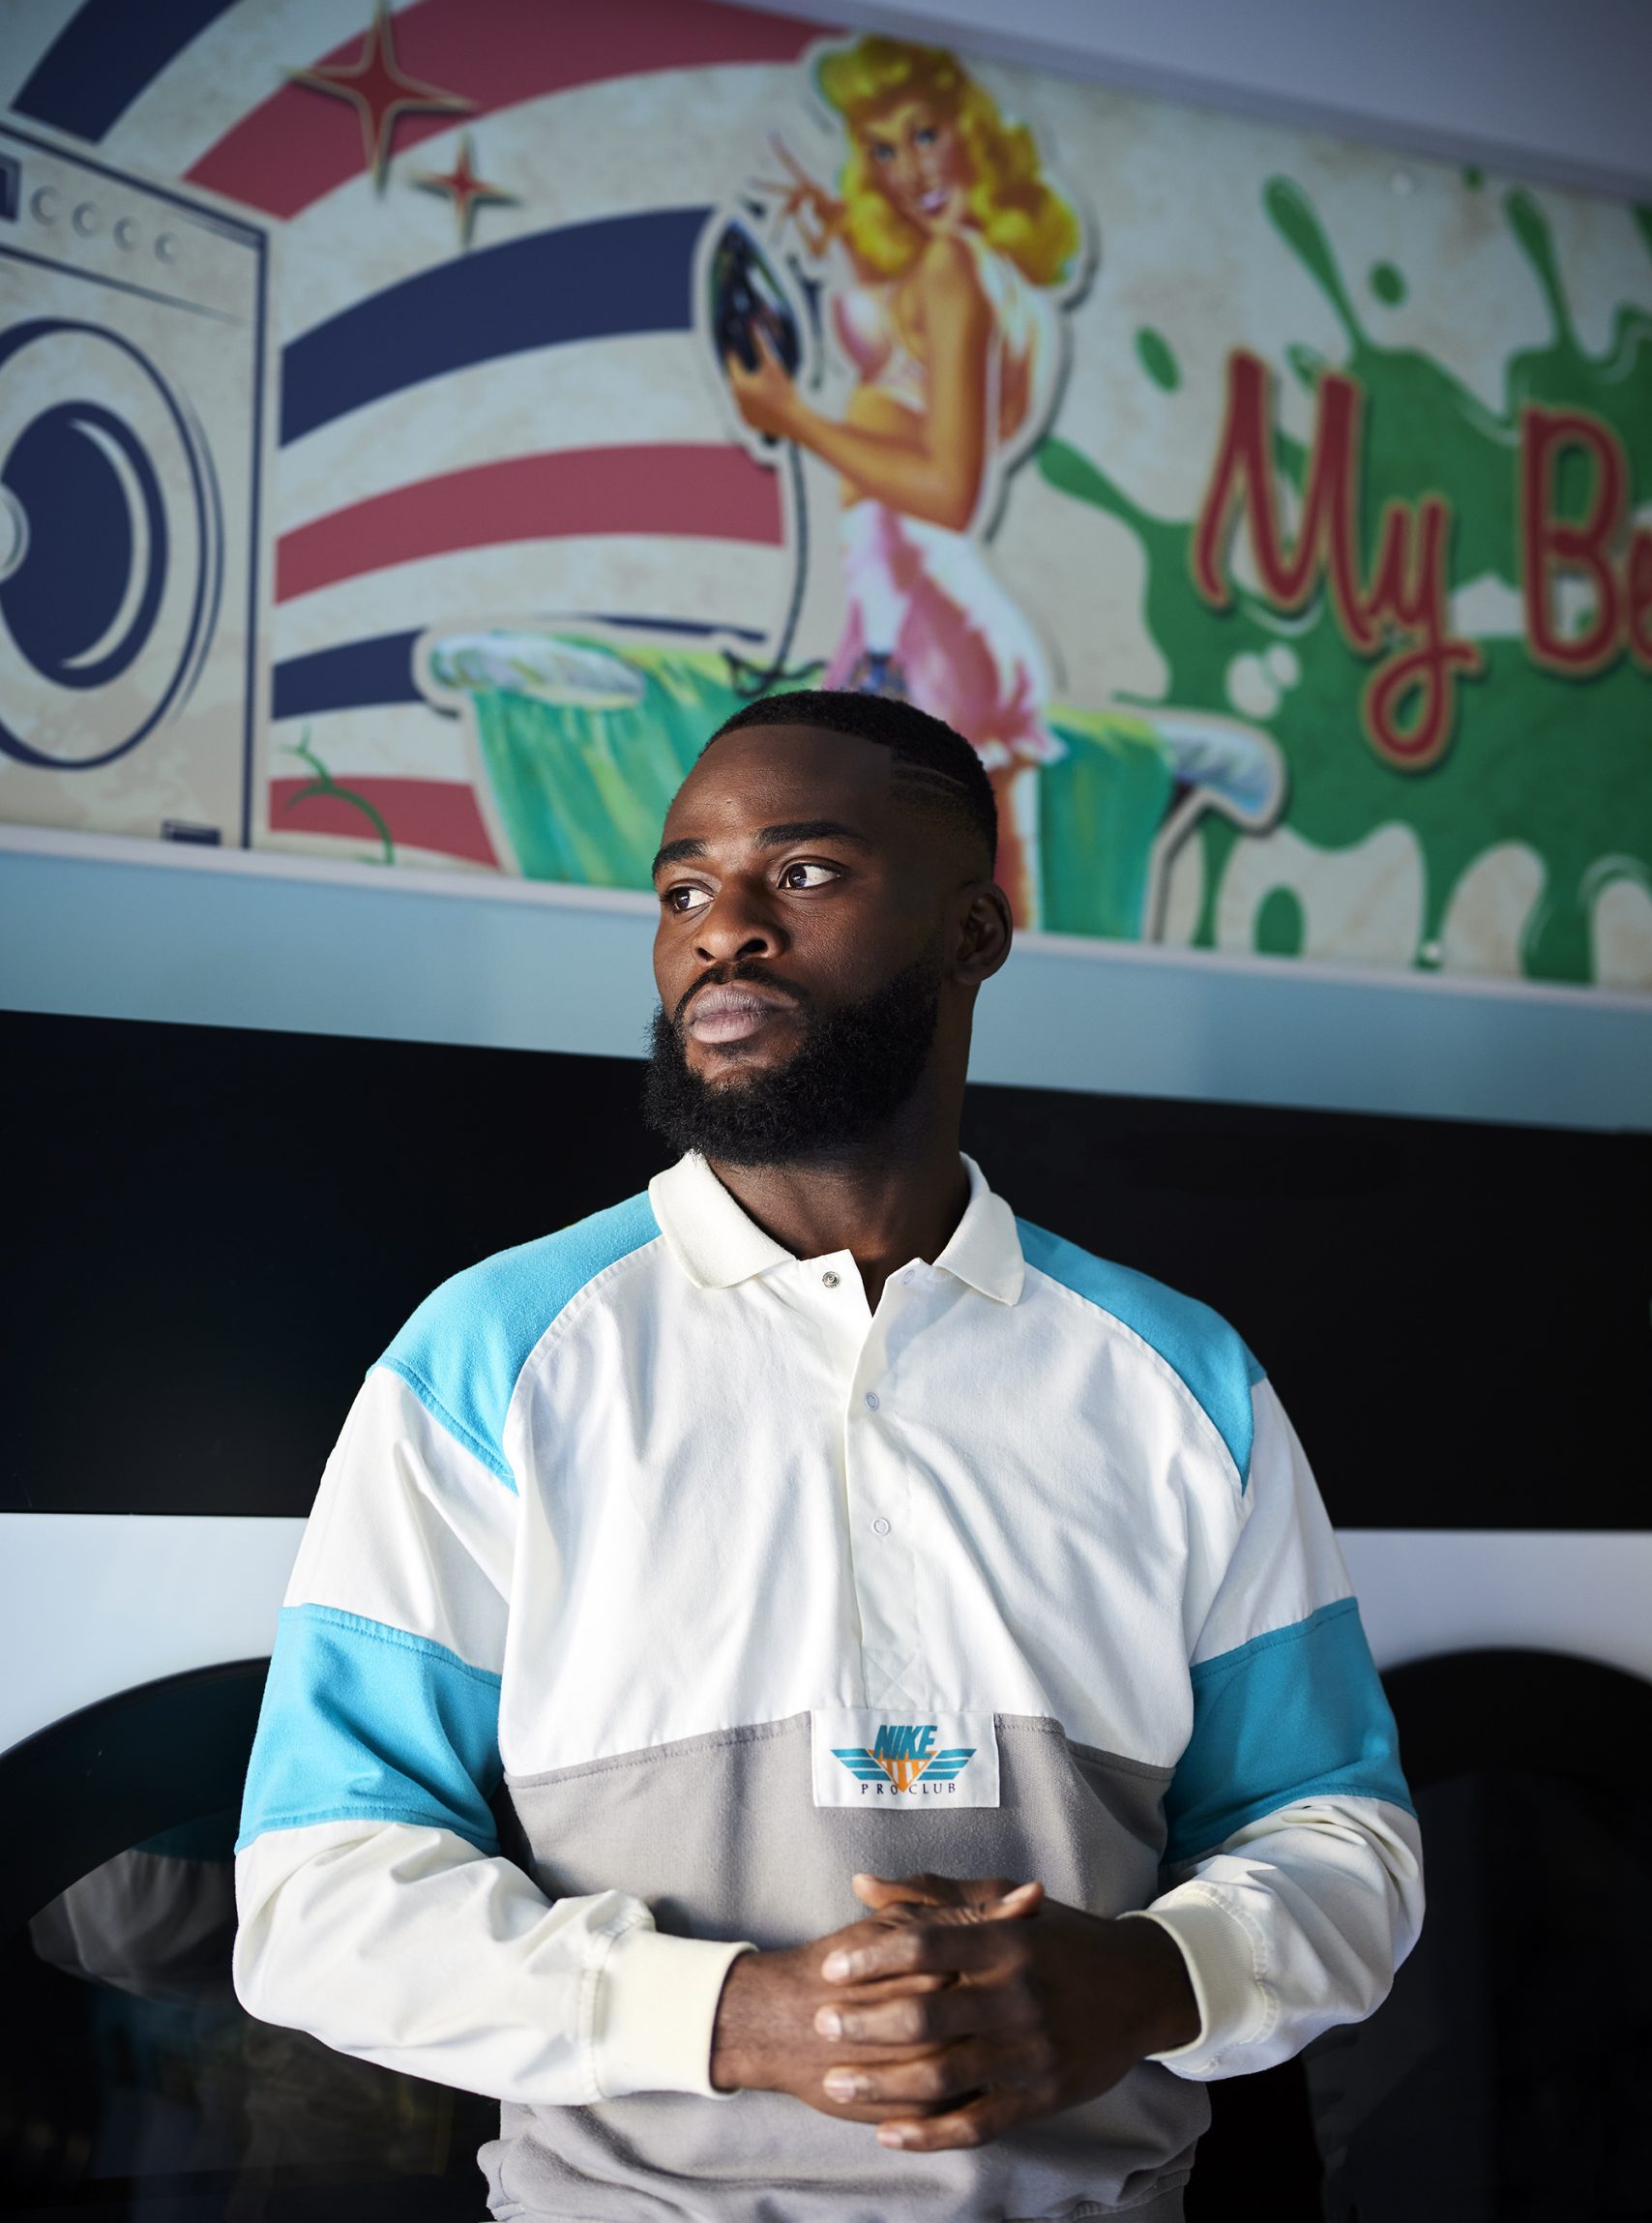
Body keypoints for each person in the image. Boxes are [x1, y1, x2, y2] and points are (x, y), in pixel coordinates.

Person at [233, 691, 1423, 2221]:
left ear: (975, 934)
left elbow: (1346, 1843)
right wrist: (741, 2017)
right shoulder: (491, 1359)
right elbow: (315, 1897)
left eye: (800, 874)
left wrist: (1148, 1979)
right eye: (682, 890)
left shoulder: (1179, 1379)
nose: (720, 929)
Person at [729, 39, 1084, 929]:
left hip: (924, 614)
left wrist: (792, 415)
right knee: (970, 924)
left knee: (930, 928)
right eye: (883, 149)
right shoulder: (971, 268)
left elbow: (948, 489)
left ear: (973, 134)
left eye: (927, 135)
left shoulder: (952, 267)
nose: (907, 169)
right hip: (902, 608)